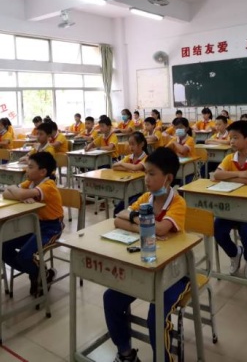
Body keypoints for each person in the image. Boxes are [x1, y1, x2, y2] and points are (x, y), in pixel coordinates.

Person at [104, 147, 188, 362]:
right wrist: (141, 223)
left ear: (168, 178)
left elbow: (161, 229)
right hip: (145, 267)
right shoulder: (146, 198)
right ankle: (125, 353)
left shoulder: (178, 203)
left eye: (152, 174)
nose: (146, 179)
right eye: (145, 173)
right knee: (111, 299)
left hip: (174, 274)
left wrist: (135, 221)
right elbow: (118, 218)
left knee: (156, 317)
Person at [2, 151, 64, 296]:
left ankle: (40, 274)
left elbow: (16, 192)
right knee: (4, 248)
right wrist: (18, 193)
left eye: (30, 167)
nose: (26, 170)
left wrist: (16, 191)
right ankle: (39, 273)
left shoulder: (48, 185)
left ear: (42, 172)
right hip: (33, 226)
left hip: (52, 228)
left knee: (25, 256)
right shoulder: (31, 183)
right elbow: (5, 193)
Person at [213, 120, 247, 280]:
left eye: (235, 138)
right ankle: (235, 253)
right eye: (230, 138)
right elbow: (216, 175)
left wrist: (228, 177)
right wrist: (240, 174)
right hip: (230, 207)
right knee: (218, 230)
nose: (231, 141)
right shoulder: (229, 158)